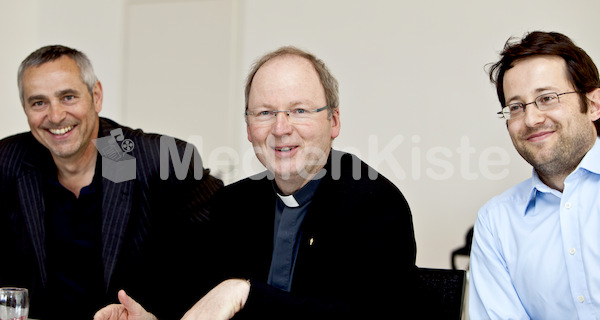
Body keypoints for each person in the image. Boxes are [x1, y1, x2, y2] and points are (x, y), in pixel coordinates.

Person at [95, 46, 419, 319]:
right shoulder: (232, 203)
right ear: (249, 129)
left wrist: (245, 294)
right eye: (264, 113)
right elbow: (197, 297)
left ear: (333, 121)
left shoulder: (376, 204)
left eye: (299, 110)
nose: (280, 128)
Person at [0, 45, 223, 319]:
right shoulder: (8, 162)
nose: (55, 116)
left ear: (96, 96)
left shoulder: (159, 160)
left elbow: (226, 250)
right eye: (39, 103)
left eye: (68, 97)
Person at [469, 31, 600, 319]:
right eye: (516, 107)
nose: (531, 119)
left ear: (593, 105)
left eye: (547, 98)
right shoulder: (496, 223)